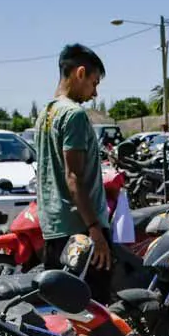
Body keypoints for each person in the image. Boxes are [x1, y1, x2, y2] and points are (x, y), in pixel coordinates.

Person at [34, 43, 113, 301]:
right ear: (80, 73)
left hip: (55, 229)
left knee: (63, 312)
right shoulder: (74, 115)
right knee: (92, 312)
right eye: (94, 82)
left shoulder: (46, 113)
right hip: (80, 233)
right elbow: (73, 177)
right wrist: (95, 231)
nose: (95, 92)